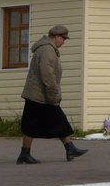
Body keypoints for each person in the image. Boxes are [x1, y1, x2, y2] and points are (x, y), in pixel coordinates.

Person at [16, 25, 87, 164]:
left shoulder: (47, 49)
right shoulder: (47, 50)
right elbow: (47, 74)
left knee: (56, 120)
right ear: (57, 37)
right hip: (40, 95)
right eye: (63, 39)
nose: (64, 42)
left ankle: (69, 148)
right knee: (48, 121)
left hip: (39, 94)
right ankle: (26, 154)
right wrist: (53, 94)